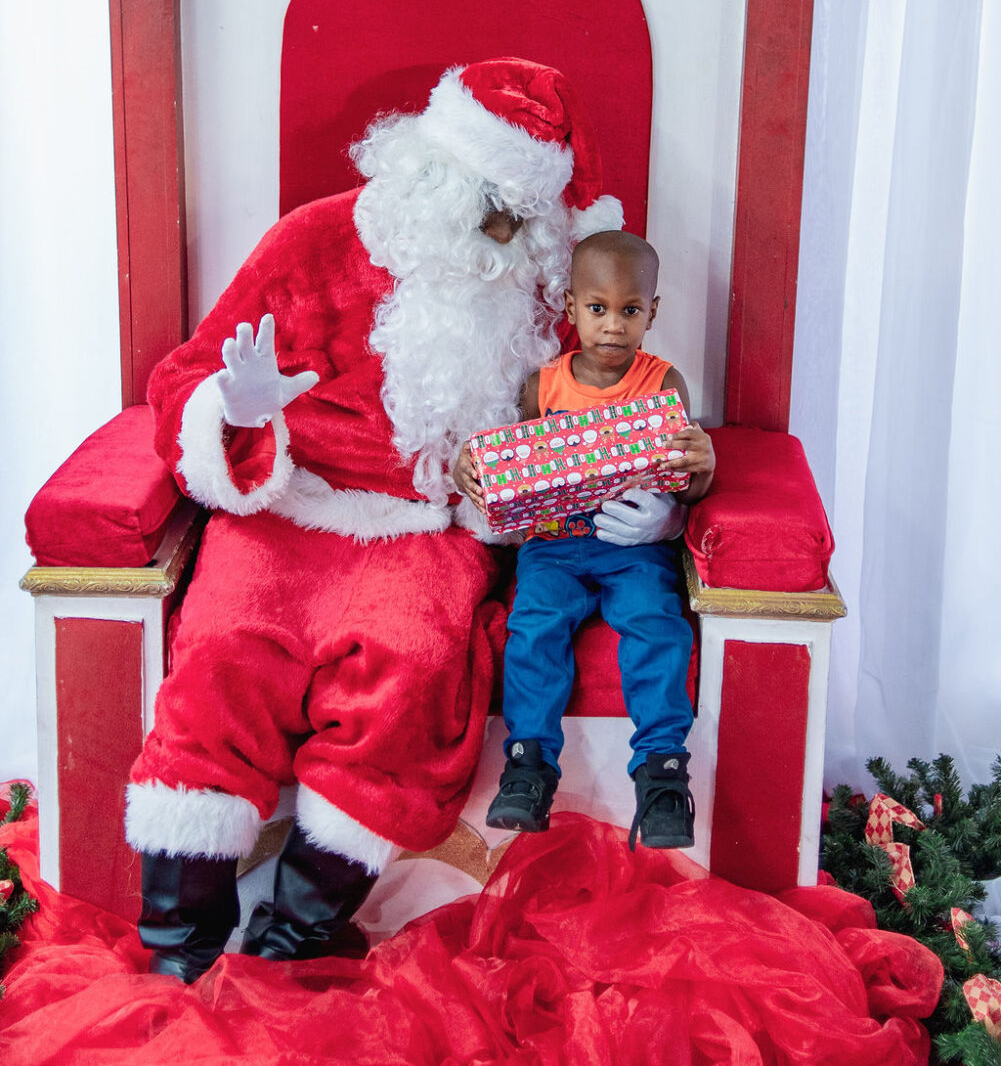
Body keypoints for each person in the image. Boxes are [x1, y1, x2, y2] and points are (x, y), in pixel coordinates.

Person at [126, 59, 624, 981]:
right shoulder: (311, 241)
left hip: (430, 524)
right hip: (290, 502)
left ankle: (291, 939)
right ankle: (179, 944)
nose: (501, 235)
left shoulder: (548, 289)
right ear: (430, 172)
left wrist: (555, 478)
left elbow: (586, 420)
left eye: (521, 216)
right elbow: (186, 376)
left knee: (413, 665)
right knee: (225, 650)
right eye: (487, 205)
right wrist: (235, 412)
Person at [454, 231, 716, 849]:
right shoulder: (541, 387)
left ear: (652, 312)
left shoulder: (663, 382)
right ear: (571, 307)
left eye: (631, 310)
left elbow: (686, 483)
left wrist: (703, 468)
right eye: (598, 308)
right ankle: (528, 766)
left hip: (635, 547)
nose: (614, 325)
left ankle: (662, 774)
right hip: (554, 546)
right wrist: (477, 473)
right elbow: (514, 471)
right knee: (533, 628)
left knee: (658, 626)